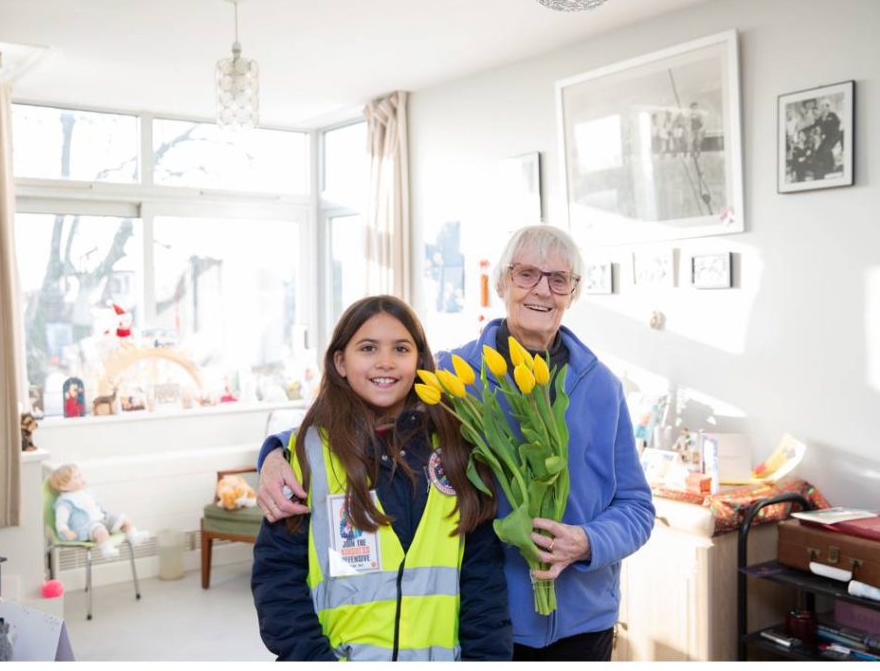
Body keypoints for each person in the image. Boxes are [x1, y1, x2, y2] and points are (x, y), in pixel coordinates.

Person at [258, 227, 655, 661]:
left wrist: (588, 541)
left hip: (583, 621)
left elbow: (636, 505)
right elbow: (367, 409)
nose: (542, 290)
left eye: (559, 279)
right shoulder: (451, 374)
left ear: (572, 293)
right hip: (487, 623)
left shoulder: (601, 388)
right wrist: (276, 452)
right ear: (502, 283)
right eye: (526, 275)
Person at [250, 295, 511, 661]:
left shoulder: (455, 449)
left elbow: (483, 580)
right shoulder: (307, 454)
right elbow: (278, 581)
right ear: (341, 361)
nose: (385, 362)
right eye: (368, 348)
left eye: (401, 349)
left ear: (419, 361)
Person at [49, 463, 148, 558]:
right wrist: (66, 532)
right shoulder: (65, 502)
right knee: (100, 531)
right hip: (87, 527)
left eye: (80, 475)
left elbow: (97, 507)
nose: (80, 478)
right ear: (63, 486)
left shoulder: (85, 492)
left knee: (125, 519)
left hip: (103, 519)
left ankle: (134, 536)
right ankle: (107, 549)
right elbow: (61, 521)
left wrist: (107, 517)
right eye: (76, 477)